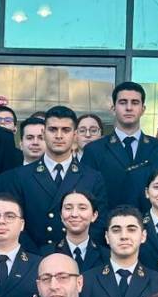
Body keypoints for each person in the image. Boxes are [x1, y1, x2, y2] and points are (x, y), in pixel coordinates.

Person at [10, 106, 109, 250]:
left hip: (77, 256)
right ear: (44, 133)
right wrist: (38, 256)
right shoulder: (20, 176)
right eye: (53, 129)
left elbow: (99, 223)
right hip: (34, 257)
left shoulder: (92, 177)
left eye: (66, 130)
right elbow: (14, 223)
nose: (59, 136)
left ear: (75, 134)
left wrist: (77, 252)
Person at [82, 82, 158, 206]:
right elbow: (87, 195)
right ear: (113, 109)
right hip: (108, 217)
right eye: (123, 102)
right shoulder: (94, 150)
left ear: (143, 109)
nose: (129, 108)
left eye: (135, 102)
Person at [56, 188, 105, 272]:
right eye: (68, 208)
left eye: (82, 208)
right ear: (61, 215)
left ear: (94, 215)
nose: (74, 214)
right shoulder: (47, 253)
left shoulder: (106, 256)